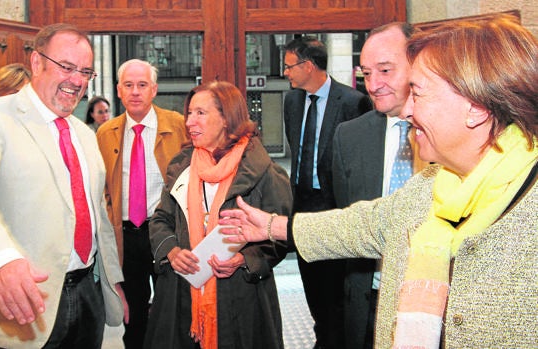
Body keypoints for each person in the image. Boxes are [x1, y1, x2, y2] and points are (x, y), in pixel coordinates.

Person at [220, 14, 538, 348]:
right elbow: (363, 225)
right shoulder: (432, 184)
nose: (408, 109)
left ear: (476, 108)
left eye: (418, 92)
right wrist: (273, 226)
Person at [0, 23, 127, 349]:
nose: (77, 80)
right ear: (37, 62)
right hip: (23, 305)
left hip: (88, 294)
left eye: (86, 72)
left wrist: (112, 283)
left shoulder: (85, 135)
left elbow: (98, 216)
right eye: (67, 67)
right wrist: (0, 261)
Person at [144, 81, 292, 349]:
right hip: (181, 298)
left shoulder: (264, 172)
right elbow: (161, 219)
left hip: (241, 300)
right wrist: (172, 252)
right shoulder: (182, 168)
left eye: (200, 113)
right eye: (189, 113)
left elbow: (280, 237)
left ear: (226, 118)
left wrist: (244, 259)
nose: (190, 122)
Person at [331, 22, 427, 349]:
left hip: (433, 302)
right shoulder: (349, 137)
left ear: (418, 63)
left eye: (385, 70)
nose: (374, 85)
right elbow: (347, 224)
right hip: (368, 300)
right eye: (367, 73)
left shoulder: (449, 133)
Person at [282, 35, 371, 349]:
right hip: (303, 203)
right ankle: (323, 336)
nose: (286, 73)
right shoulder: (291, 101)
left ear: (308, 66)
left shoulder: (352, 102)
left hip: (337, 207)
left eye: (290, 66)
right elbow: (298, 147)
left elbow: (360, 160)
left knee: (335, 293)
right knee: (312, 289)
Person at [96, 58, 189, 349]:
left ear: (154, 90)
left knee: (172, 309)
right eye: (128, 85)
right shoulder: (105, 133)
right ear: (119, 91)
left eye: (142, 85)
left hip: (164, 233)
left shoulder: (177, 126)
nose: (135, 91)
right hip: (125, 236)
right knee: (133, 315)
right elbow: (102, 191)